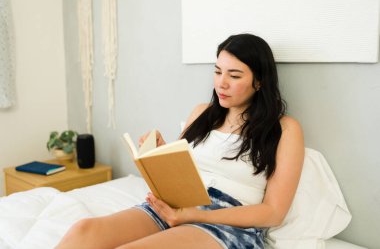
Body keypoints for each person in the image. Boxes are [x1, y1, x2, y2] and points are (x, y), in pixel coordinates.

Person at [55, 33, 304, 249]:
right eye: (217, 72)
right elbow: (178, 172)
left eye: (235, 75)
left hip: (229, 222)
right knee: (83, 231)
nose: (221, 83)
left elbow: (274, 212)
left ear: (259, 81)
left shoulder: (284, 129)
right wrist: (160, 155)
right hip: (178, 204)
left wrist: (194, 216)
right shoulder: (201, 113)